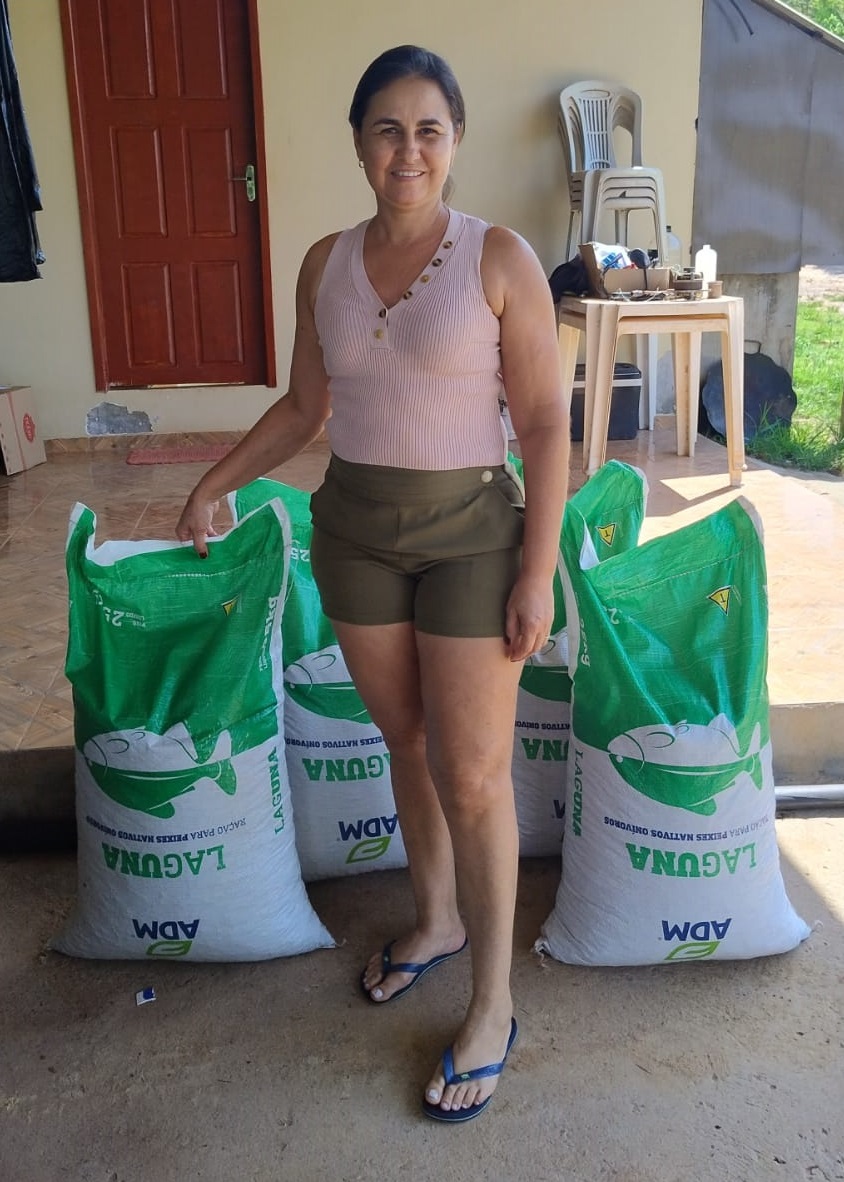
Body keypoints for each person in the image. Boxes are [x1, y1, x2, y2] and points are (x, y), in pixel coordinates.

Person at [176, 44, 570, 1123]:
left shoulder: (499, 258)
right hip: (353, 531)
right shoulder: (324, 263)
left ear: (454, 142)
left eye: (428, 130)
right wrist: (214, 483)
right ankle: (435, 918)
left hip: (472, 537)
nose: (408, 150)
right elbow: (306, 408)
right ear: (358, 142)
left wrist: (537, 570)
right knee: (405, 740)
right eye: (387, 129)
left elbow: (544, 423)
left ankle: (492, 1004)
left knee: (474, 775)